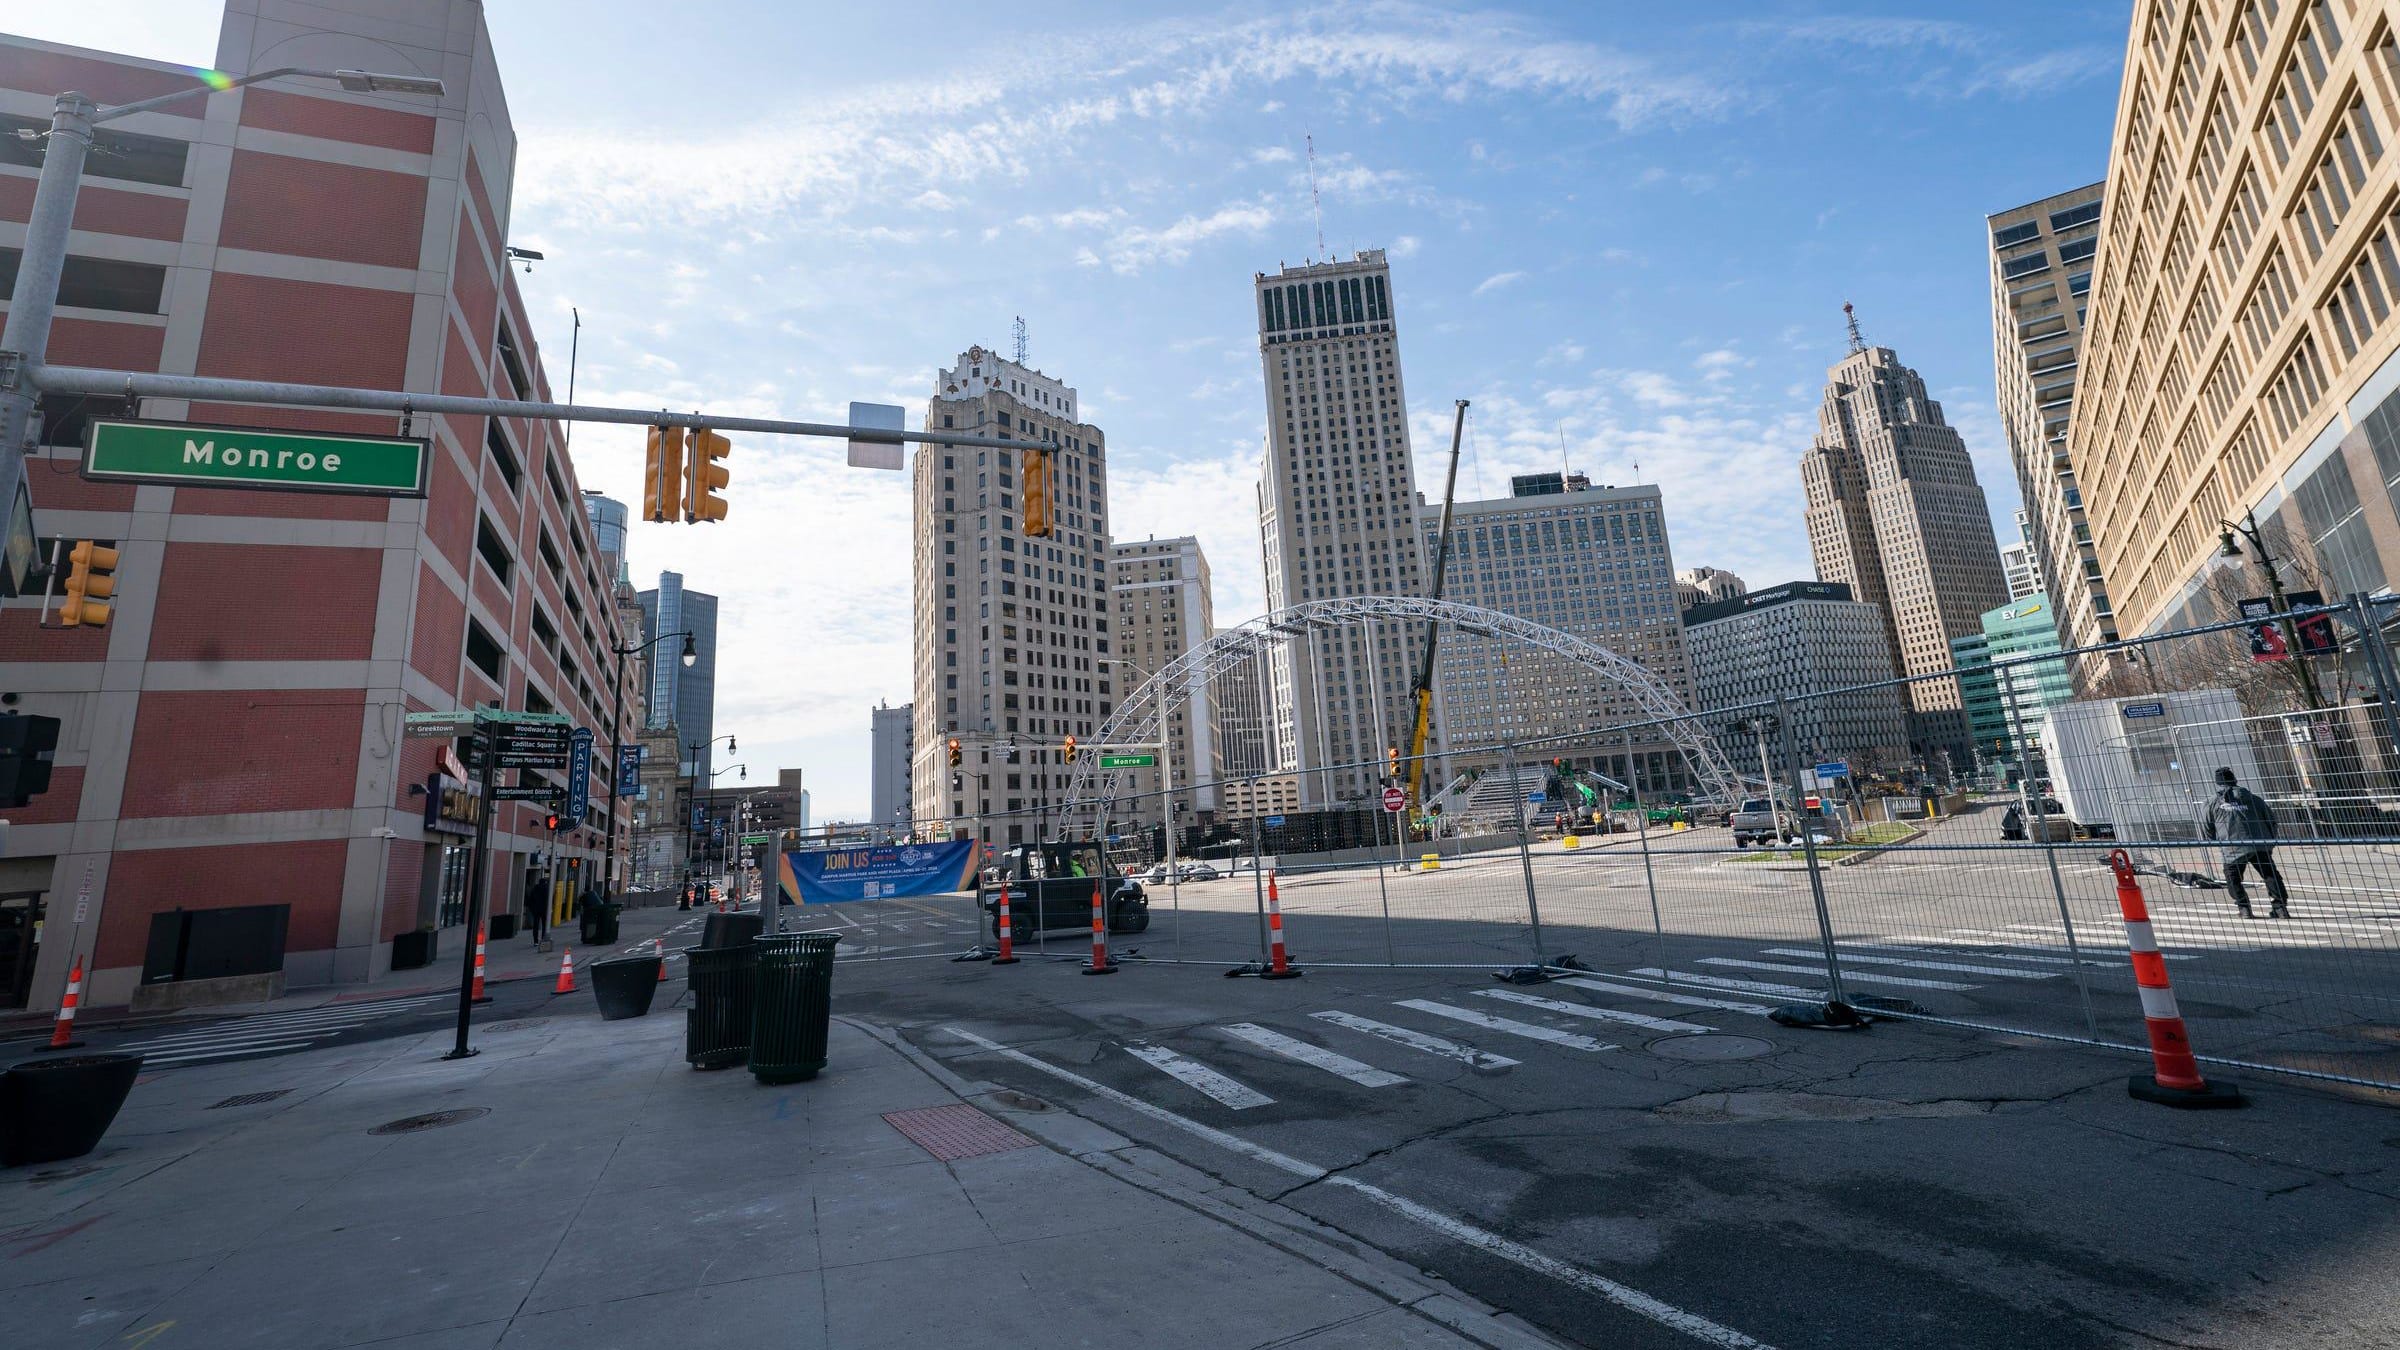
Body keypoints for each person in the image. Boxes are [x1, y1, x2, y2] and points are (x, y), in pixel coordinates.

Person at [2202, 766, 2288, 918]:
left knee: (2232, 877)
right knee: (2270, 875)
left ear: (2218, 783)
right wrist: (2269, 841)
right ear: (2235, 780)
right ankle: (2280, 907)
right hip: (2259, 843)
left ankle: (2244, 908)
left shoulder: (2213, 802)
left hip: (2232, 846)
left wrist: (2214, 840)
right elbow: (2271, 820)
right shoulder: (2254, 799)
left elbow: (2207, 826)